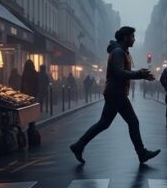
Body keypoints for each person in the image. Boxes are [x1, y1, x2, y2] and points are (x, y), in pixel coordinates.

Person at [69, 26, 161, 164]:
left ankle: (78, 146)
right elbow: (119, 72)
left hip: (114, 92)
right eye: (132, 36)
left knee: (104, 123)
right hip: (116, 93)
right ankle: (141, 153)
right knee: (133, 122)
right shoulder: (118, 52)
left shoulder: (121, 51)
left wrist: (139, 73)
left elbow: (121, 71)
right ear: (125, 37)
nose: (134, 39)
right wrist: (139, 74)